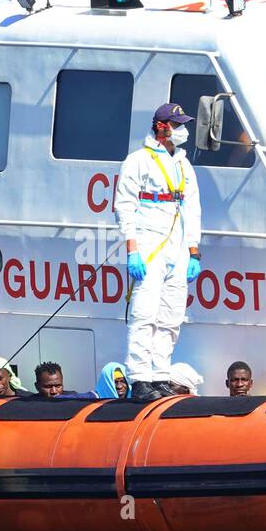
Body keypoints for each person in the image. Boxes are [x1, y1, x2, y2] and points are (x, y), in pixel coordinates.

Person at [117, 103, 202, 402]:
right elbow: (124, 205)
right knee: (145, 313)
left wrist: (193, 251)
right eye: (177, 125)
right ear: (161, 126)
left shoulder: (183, 164)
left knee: (171, 314)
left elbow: (192, 209)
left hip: (177, 246)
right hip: (149, 242)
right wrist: (132, 248)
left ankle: (160, 373)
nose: (182, 130)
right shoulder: (138, 160)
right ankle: (140, 377)